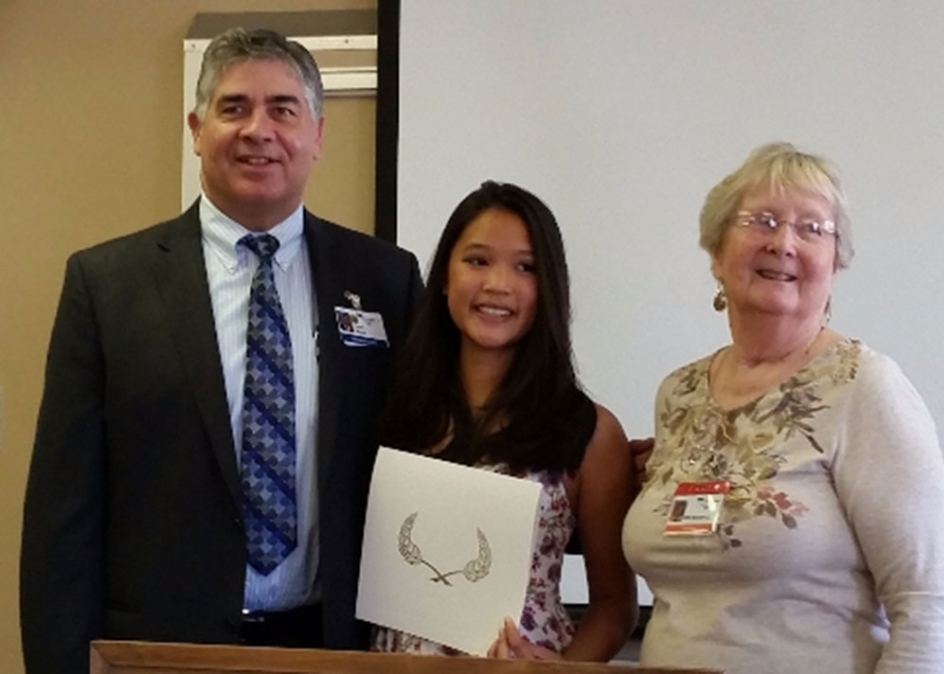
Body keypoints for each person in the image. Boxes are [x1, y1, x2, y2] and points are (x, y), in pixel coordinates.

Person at [20, 27, 421, 674]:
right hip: (160, 651)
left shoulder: (385, 280)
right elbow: (62, 513)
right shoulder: (107, 285)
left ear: (318, 135)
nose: (258, 129)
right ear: (197, 128)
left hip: (334, 649)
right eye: (234, 107)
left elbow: (435, 446)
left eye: (284, 110)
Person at [622, 142, 944, 673]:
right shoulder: (679, 393)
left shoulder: (864, 387)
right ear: (715, 252)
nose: (783, 242)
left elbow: (928, 610)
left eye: (812, 229)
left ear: (834, 264)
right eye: (762, 221)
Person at [371, 181, 638, 661]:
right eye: (477, 260)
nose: (497, 284)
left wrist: (564, 673)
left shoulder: (590, 433)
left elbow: (615, 606)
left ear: (548, 287)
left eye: (525, 267)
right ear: (446, 277)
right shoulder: (392, 412)